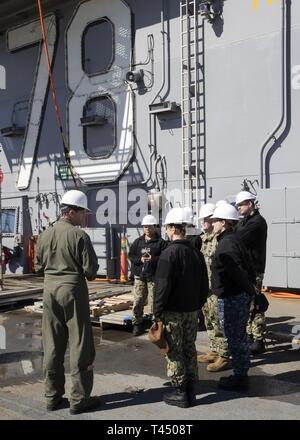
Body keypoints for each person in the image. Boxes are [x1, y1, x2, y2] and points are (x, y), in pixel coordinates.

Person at [35, 189, 101, 415]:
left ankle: (52, 397)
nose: (84, 217)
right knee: (80, 344)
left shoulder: (45, 234)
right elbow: (91, 271)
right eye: (82, 213)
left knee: (52, 345)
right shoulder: (79, 236)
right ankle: (79, 399)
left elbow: (37, 267)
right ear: (72, 212)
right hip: (73, 291)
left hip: (49, 290)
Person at [154, 207, 208, 407]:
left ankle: (180, 392)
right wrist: (197, 305)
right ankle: (191, 389)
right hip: (192, 311)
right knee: (189, 348)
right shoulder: (196, 253)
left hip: (173, 313)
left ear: (171, 228)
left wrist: (157, 312)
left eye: (167, 228)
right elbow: (205, 285)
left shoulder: (168, 254)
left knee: (174, 351)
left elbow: (162, 287)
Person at [211, 203, 256, 391]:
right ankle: (241, 373)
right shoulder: (233, 239)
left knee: (235, 337)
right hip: (236, 296)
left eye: (214, 221)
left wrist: (252, 293)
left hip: (232, 298)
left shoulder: (227, 243)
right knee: (238, 336)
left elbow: (238, 272)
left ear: (223, 222)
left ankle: (240, 377)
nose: (212, 224)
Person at [197, 203, 231, 372]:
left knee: (219, 322)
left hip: (217, 289)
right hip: (206, 288)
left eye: (205, 219)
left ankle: (224, 355)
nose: (203, 222)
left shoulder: (220, 240)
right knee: (209, 320)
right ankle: (214, 350)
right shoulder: (203, 239)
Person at [235, 190, 268, 355]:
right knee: (246, 304)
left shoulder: (257, 223)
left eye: (241, 204)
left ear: (250, 204)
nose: (238, 207)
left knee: (255, 304)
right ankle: (249, 336)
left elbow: (238, 238)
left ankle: (259, 340)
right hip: (245, 269)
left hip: (254, 270)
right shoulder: (244, 221)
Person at [128, 214, 167, 336]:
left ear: (154, 227)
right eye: (145, 227)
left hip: (153, 277)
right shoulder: (138, 242)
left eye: (149, 227)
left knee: (154, 301)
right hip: (140, 276)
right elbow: (131, 256)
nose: (147, 229)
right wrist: (140, 259)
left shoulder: (161, 243)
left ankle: (155, 324)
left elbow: (165, 258)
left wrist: (153, 259)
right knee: (138, 300)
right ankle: (137, 323)